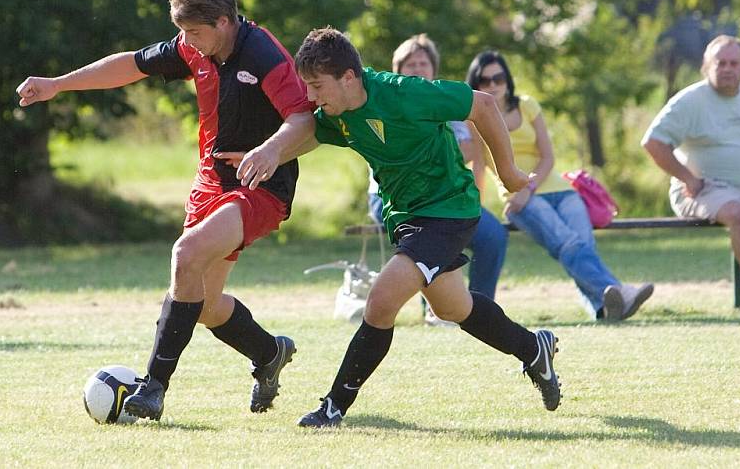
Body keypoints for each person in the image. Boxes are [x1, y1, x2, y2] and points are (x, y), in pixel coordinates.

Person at [16, 0, 313, 420]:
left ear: (223, 22)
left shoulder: (263, 53)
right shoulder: (193, 47)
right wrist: (58, 84)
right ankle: (269, 352)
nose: (186, 42)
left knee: (186, 254)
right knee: (205, 304)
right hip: (211, 184)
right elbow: (131, 64)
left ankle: (152, 389)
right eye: (181, 33)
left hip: (260, 185)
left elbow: (303, 120)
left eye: (194, 32)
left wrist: (269, 150)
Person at [275, 27, 562, 428]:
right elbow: (308, 130)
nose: (311, 96)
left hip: (449, 209)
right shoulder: (339, 113)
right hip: (407, 217)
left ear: (348, 78)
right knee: (453, 307)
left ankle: (333, 407)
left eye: (317, 86)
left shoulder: (404, 92)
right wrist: (267, 151)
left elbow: (481, 105)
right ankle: (534, 350)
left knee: (381, 301)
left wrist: (509, 171)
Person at [466, 51, 654, 321]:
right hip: (520, 200)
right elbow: (478, 166)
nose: (493, 85)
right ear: (476, 84)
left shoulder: (528, 105)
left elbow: (548, 157)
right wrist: (474, 207)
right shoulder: (474, 118)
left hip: (557, 189)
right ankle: (620, 292)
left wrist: (528, 187)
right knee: (568, 244)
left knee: (582, 244)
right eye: (485, 81)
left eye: (498, 78)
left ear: (507, 80)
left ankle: (602, 308)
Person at [367, 34, 508, 325]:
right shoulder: (384, 103)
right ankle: (433, 311)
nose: (418, 69)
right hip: (394, 202)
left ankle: (478, 313)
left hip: (446, 199)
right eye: (410, 64)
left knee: (493, 236)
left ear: (433, 69)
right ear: (397, 70)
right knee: (428, 236)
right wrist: (441, 151)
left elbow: (473, 149)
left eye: (423, 63)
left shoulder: (446, 101)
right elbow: (454, 150)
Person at [643, 35, 740, 312]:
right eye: (720, 63)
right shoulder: (689, 101)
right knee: (737, 213)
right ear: (706, 66)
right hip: (705, 189)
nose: (727, 68)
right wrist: (688, 178)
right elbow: (653, 143)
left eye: (734, 63)